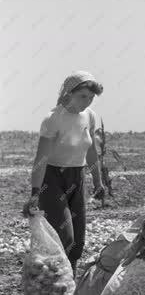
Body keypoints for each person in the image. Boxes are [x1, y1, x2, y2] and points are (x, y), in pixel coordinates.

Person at [23, 71, 106, 275]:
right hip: (52, 180)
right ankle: (56, 280)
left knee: (78, 241)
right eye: (82, 96)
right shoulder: (53, 119)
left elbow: (92, 151)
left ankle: (70, 284)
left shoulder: (89, 116)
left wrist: (98, 182)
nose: (87, 102)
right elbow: (41, 159)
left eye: (91, 98)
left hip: (78, 178)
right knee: (65, 236)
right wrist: (35, 192)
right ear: (68, 93)